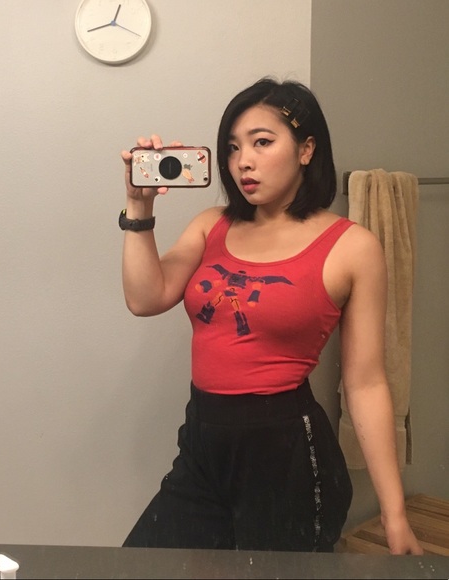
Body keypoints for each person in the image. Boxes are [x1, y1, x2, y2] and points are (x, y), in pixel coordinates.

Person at [118, 77, 423, 554]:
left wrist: (394, 513)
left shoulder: (352, 247)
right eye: (233, 147)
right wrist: (139, 206)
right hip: (203, 443)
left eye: (262, 142)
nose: (243, 160)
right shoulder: (212, 225)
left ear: (306, 149)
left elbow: (365, 383)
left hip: (287, 455)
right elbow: (146, 297)